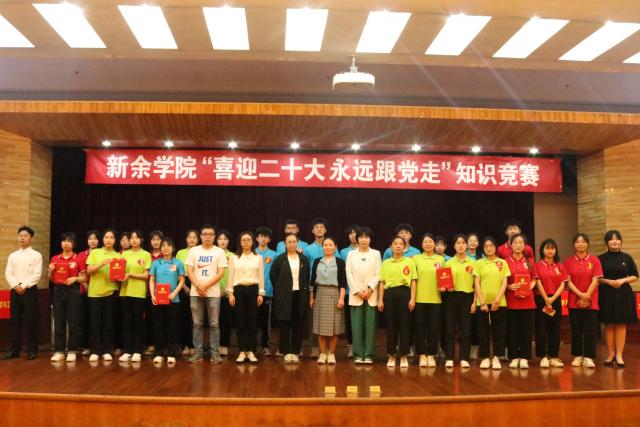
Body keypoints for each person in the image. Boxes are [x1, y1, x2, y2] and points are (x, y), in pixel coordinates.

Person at [185, 224, 228, 363]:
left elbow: (221, 273)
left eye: (211, 234)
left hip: (213, 293)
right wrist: (198, 286)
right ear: (201, 236)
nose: (208, 236)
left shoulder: (219, 252)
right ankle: (198, 353)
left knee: (214, 324)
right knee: (197, 324)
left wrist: (205, 286)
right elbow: (189, 270)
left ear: (214, 236)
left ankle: (215, 353)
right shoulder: (194, 251)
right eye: (205, 234)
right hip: (195, 293)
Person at [598, 230, 638, 368]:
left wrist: (622, 280)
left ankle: (619, 355)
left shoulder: (627, 257)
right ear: (606, 242)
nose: (615, 241)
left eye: (617, 239)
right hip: (606, 294)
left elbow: (635, 275)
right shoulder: (600, 258)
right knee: (608, 324)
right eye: (611, 239)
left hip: (623, 294)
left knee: (621, 324)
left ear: (620, 241)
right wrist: (609, 281)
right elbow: (597, 278)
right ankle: (610, 354)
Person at [2, 226, 43, 360]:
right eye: (20, 235)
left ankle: (32, 350)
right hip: (15, 291)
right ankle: (14, 350)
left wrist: (24, 285)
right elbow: (8, 273)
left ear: (31, 238)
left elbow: (37, 274)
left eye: (25, 235)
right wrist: (15, 285)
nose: (22, 238)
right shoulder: (13, 255)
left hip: (29, 291)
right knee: (14, 321)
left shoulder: (36, 255)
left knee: (31, 320)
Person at [270, 233, 311, 364]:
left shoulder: (303, 259)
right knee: (285, 324)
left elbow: (307, 277)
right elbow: (273, 276)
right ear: (285, 244)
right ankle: (285, 351)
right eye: (289, 242)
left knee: (298, 324)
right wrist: (281, 289)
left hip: (300, 295)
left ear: (297, 243)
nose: (292, 244)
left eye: (294, 242)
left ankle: (295, 351)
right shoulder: (280, 259)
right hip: (284, 296)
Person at [564, 233, 602, 369]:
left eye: (583, 241)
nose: (580, 244)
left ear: (587, 244)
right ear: (574, 245)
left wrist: (587, 296)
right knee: (576, 329)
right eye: (578, 242)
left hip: (591, 300)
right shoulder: (568, 262)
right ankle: (578, 355)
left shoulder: (595, 260)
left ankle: (589, 357)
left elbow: (596, 280)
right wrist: (581, 295)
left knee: (590, 329)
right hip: (574, 301)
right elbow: (568, 282)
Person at [378, 236, 417, 368]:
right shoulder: (386, 263)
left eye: (401, 244)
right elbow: (382, 282)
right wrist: (380, 299)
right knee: (391, 326)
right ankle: (391, 355)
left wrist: (412, 298)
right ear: (391, 247)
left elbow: (413, 281)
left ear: (404, 247)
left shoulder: (410, 262)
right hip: (389, 294)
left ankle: (404, 355)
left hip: (405, 293)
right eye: (395, 244)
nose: (398, 246)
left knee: (405, 325)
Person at [85, 228, 123, 362]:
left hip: (110, 292)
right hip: (94, 293)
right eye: (106, 237)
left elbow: (120, 276)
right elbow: (89, 270)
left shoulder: (118, 256)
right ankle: (95, 350)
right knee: (95, 323)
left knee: (108, 323)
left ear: (115, 240)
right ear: (103, 239)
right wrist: (102, 263)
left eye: (111, 237)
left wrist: (119, 277)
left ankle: (107, 350)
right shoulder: (95, 252)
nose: (109, 240)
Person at [228, 231, 265, 364]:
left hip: (253, 290)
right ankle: (242, 351)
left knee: (252, 321)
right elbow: (231, 276)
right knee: (240, 321)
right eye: (243, 240)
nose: (246, 242)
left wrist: (261, 293)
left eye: (248, 240)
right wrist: (230, 293)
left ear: (252, 241)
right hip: (238, 290)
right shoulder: (234, 257)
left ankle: (251, 351)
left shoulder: (258, 257)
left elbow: (261, 276)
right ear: (240, 242)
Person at [473, 236, 510, 370]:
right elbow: (476, 283)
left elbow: (505, 282)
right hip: (482, 303)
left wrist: (497, 300)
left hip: (499, 303)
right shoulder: (479, 263)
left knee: (499, 331)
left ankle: (497, 357)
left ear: (495, 247)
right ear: (483, 249)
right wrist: (482, 302)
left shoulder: (503, 263)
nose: (489, 248)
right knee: (483, 332)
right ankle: (484, 358)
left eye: (491, 246)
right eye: (486, 246)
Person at [48, 232, 85, 363]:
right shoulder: (55, 258)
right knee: (59, 321)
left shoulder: (78, 258)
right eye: (64, 241)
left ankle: (72, 350)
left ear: (74, 244)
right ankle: (59, 351)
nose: (66, 243)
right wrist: (50, 271)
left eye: (69, 241)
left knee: (73, 322)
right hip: (58, 291)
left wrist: (75, 278)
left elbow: (85, 278)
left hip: (73, 291)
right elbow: (50, 279)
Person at [346, 227, 381, 365]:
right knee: (356, 327)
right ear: (357, 239)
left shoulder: (376, 254)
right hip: (356, 296)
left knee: (370, 327)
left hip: (371, 295)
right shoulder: (351, 254)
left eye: (367, 237)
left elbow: (379, 273)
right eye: (361, 237)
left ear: (370, 239)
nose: (364, 239)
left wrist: (370, 289)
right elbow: (349, 274)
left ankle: (369, 354)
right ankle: (358, 354)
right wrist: (357, 291)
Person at [311, 237, 347, 364]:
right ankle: (322, 353)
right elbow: (312, 281)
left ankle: (331, 353)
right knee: (320, 327)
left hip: (335, 294)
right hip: (320, 294)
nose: (327, 247)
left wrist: (341, 298)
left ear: (335, 247)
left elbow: (343, 282)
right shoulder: (317, 261)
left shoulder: (340, 262)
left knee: (334, 328)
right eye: (325, 245)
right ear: (322, 247)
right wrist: (311, 298)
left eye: (330, 245)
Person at [149, 237, 185, 365]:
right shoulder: (155, 263)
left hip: (173, 300)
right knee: (158, 326)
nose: (165, 248)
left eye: (168, 245)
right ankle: (159, 353)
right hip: (158, 300)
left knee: (172, 327)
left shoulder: (178, 263)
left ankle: (171, 353)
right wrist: (152, 295)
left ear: (173, 248)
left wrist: (174, 293)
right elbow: (152, 280)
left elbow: (182, 280)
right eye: (163, 245)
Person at [504, 233, 537, 370]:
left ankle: (524, 357)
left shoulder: (530, 261)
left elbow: (534, 279)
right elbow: (502, 281)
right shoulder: (505, 262)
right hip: (511, 301)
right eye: (515, 243)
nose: (518, 245)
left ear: (525, 245)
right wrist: (509, 286)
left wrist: (528, 288)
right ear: (510, 245)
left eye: (521, 243)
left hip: (528, 301)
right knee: (512, 331)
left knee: (526, 331)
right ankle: (514, 357)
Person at [443, 234, 475, 368]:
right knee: (450, 328)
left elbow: (476, 284)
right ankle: (449, 357)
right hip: (451, 297)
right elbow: (443, 281)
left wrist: (475, 302)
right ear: (454, 246)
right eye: (458, 243)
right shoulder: (448, 262)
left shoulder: (473, 263)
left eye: (463, 243)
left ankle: (464, 358)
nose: (461, 245)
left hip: (467, 297)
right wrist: (445, 287)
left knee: (466, 329)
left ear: (467, 245)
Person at [119, 230, 152, 363]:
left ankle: (138, 351)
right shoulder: (124, 254)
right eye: (131, 238)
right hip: (124, 291)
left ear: (141, 240)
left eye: (137, 238)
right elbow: (119, 271)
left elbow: (146, 276)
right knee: (127, 321)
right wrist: (117, 275)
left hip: (138, 292)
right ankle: (127, 351)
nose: (133, 240)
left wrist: (131, 275)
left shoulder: (146, 254)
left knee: (138, 322)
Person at [535, 239, 568, 368]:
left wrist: (553, 298)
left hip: (555, 299)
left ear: (555, 250)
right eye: (547, 248)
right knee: (541, 329)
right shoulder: (538, 265)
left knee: (555, 329)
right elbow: (538, 283)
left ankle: (553, 356)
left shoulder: (560, 266)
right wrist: (546, 299)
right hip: (541, 300)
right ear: (542, 250)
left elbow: (562, 284)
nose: (550, 251)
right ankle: (542, 357)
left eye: (552, 248)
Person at [412, 233, 445, 367]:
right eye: (425, 242)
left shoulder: (441, 259)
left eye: (431, 242)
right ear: (421, 244)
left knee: (433, 328)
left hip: (435, 299)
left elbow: (444, 278)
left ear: (434, 244)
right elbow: (413, 280)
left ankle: (431, 354)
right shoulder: (416, 259)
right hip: (419, 299)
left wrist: (444, 286)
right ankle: (421, 355)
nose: (428, 244)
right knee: (419, 328)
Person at [76, 230, 100, 355]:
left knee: (97, 319)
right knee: (85, 318)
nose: (92, 241)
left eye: (95, 239)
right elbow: (80, 272)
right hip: (84, 291)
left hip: (99, 291)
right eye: (90, 239)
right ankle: (86, 346)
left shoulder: (102, 254)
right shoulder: (81, 255)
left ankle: (98, 345)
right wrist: (86, 286)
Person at [175, 229, 199, 356]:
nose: (192, 239)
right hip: (182, 284)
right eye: (189, 237)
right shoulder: (180, 252)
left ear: (198, 239)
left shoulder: (201, 251)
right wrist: (184, 287)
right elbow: (177, 271)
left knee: (196, 318)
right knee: (184, 316)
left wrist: (195, 286)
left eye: (194, 237)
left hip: (198, 283)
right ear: (186, 239)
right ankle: (185, 344)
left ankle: (194, 345)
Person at [255, 226, 277, 356]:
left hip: (267, 291)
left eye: (266, 237)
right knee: (252, 319)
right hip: (252, 291)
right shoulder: (251, 253)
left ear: (269, 239)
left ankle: (265, 345)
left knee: (265, 321)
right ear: (256, 238)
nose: (263, 239)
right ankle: (251, 345)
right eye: (260, 236)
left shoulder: (274, 255)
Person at [339, 224, 359, 359]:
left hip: (364, 291)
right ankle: (351, 346)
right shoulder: (343, 252)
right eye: (350, 233)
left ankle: (362, 345)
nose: (353, 236)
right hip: (348, 291)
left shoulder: (370, 251)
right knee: (350, 320)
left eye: (355, 233)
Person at [145, 230, 164, 356]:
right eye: (153, 240)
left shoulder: (166, 254)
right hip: (148, 292)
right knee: (150, 320)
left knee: (162, 320)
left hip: (164, 292)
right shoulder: (146, 255)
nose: (156, 242)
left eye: (158, 239)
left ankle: (163, 345)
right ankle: (151, 344)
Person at [217, 229, 234, 357]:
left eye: (225, 239)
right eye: (220, 239)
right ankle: (215, 345)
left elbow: (235, 274)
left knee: (226, 320)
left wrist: (227, 289)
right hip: (213, 292)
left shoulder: (233, 256)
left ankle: (224, 345)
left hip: (228, 293)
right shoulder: (212, 254)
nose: (222, 241)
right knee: (214, 322)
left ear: (228, 241)